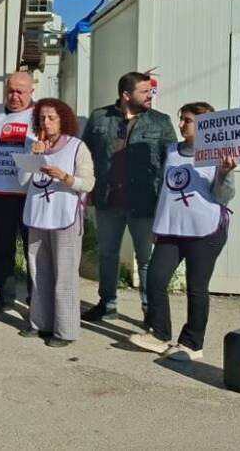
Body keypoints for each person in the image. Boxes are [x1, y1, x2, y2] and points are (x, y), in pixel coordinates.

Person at [129, 102, 236, 362]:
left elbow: (224, 197)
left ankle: (192, 344)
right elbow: (166, 191)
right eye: (182, 119)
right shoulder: (172, 151)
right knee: (155, 279)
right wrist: (158, 225)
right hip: (171, 230)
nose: (181, 125)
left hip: (205, 232)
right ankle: (159, 333)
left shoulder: (219, 155)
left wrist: (225, 173)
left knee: (196, 287)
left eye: (187, 120)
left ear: (205, 125)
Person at [81, 71, 176, 322]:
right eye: (145, 91)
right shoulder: (100, 118)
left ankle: (150, 311)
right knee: (107, 255)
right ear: (126, 95)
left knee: (145, 259)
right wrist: (87, 189)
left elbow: (172, 162)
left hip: (144, 202)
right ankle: (107, 303)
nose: (150, 96)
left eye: (151, 91)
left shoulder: (161, 122)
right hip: (107, 199)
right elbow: (84, 154)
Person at [18, 99, 95, 348]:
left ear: (63, 119)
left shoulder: (76, 147)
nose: (46, 122)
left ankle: (65, 330)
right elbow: (23, 179)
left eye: (51, 118)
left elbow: (89, 183)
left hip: (65, 217)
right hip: (39, 215)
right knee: (39, 271)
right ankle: (40, 323)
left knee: (64, 275)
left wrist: (65, 177)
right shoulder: (34, 146)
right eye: (41, 118)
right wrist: (33, 155)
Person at [0, 71, 36, 315]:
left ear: (31, 92)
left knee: (33, 251)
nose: (14, 96)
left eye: (20, 92)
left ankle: (37, 302)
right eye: (10, 90)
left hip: (29, 196)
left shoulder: (41, 114)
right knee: (0, 249)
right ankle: (4, 297)